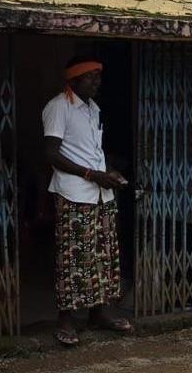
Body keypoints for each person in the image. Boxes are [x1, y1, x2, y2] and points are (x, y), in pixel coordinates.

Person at [42, 54, 132, 347]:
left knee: (102, 255)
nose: (97, 82)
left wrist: (108, 172)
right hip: (74, 194)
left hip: (100, 195)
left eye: (98, 76)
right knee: (73, 258)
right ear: (74, 79)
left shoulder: (93, 109)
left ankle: (99, 312)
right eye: (90, 77)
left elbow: (91, 151)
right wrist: (91, 174)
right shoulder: (59, 107)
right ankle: (66, 319)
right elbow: (52, 153)